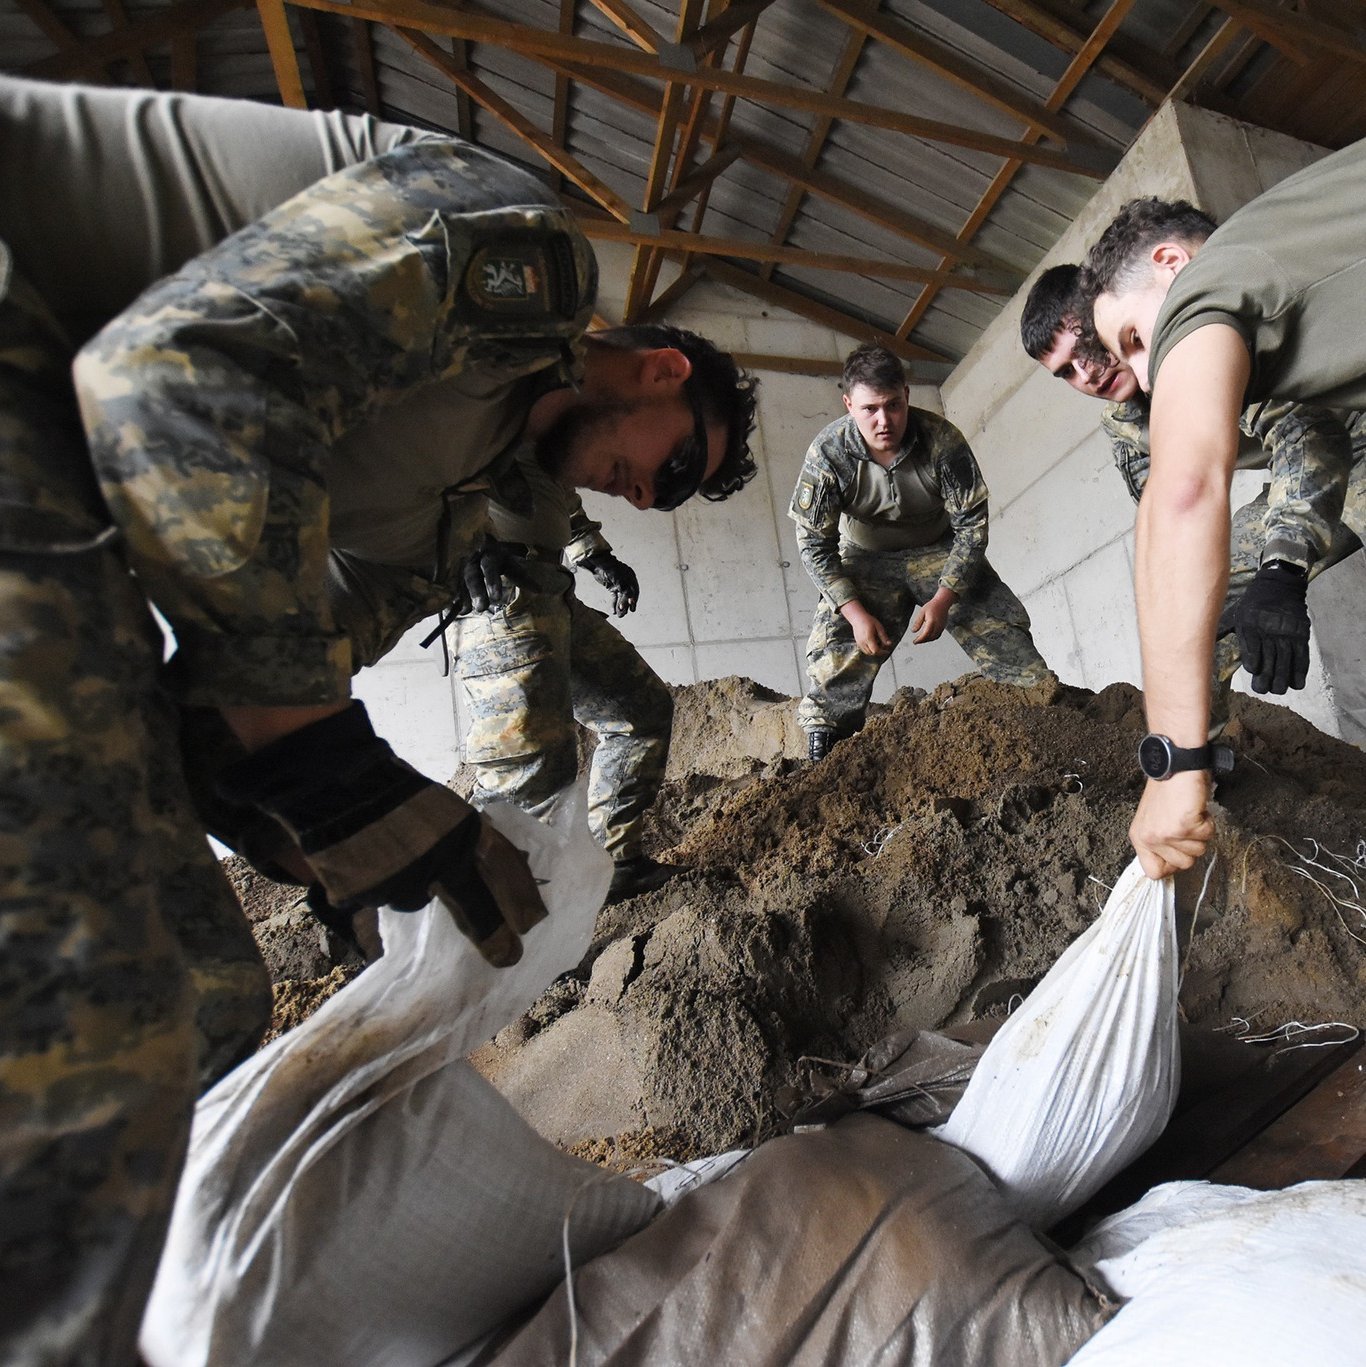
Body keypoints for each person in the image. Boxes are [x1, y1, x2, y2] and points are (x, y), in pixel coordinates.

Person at [0, 75, 755, 1366]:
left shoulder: (453, 505)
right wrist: (319, 761)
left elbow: (253, 688)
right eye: (675, 459)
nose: (647, 491)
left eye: (668, 500)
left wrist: (308, 820)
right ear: (657, 368)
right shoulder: (517, 254)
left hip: (55, 442)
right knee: (90, 991)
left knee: (202, 990)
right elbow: (165, 377)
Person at [1075, 149, 1366, 879]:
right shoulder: (1282, 253)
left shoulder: (1206, 290)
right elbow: (1155, 522)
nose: (1142, 373)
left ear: (1170, 261)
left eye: (1134, 340)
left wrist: (1174, 764)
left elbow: (1184, 494)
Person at [1020, 264, 1363, 730]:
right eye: (1066, 372)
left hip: (1348, 435)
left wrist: (1280, 572)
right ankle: (1196, 772)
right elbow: (1176, 532)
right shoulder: (1125, 427)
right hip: (1301, 471)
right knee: (1189, 625)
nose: (1088, 374)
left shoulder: (1198, 341)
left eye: (1085, 346)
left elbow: (1307, 437)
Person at [450, 375, 687, 905]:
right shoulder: (475, 404)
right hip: (498, 599)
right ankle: (491, 923)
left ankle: (612, 867)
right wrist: (459, 544)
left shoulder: (544, 422)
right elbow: (418, 474)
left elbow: (554, 493)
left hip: (552, 589)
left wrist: (594, 553)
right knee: (527, 776)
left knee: (639, 710)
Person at [790, 343, 1052, 760]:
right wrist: (854, 614)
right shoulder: (828, 454)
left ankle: (1048, 722)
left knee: (1004, 634)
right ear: (848, 405)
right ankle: (827, 744)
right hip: (866, 556)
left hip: (940, 547)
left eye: (893, 405)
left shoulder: (941, 441)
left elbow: (971, 528)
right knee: (837, 648)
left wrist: (945, 597)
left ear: (907, 396)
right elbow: (813, 545)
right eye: (869, 409)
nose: (883, 421)